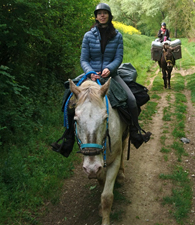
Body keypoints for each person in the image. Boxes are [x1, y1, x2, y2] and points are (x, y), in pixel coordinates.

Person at [51, 3, 151, 157]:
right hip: (90, 75)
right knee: (69, 102)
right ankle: (68, 138)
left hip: (111, 75)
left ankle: (134, 132)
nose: (102, 15)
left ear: (109, 16)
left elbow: (118, 57)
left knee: (131, 99)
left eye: (105, 13)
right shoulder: (88, 36)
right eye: (99, 13)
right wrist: (90, 72)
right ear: (96, 16)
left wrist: (109, 69)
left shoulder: (117, 36)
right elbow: (84, 59)